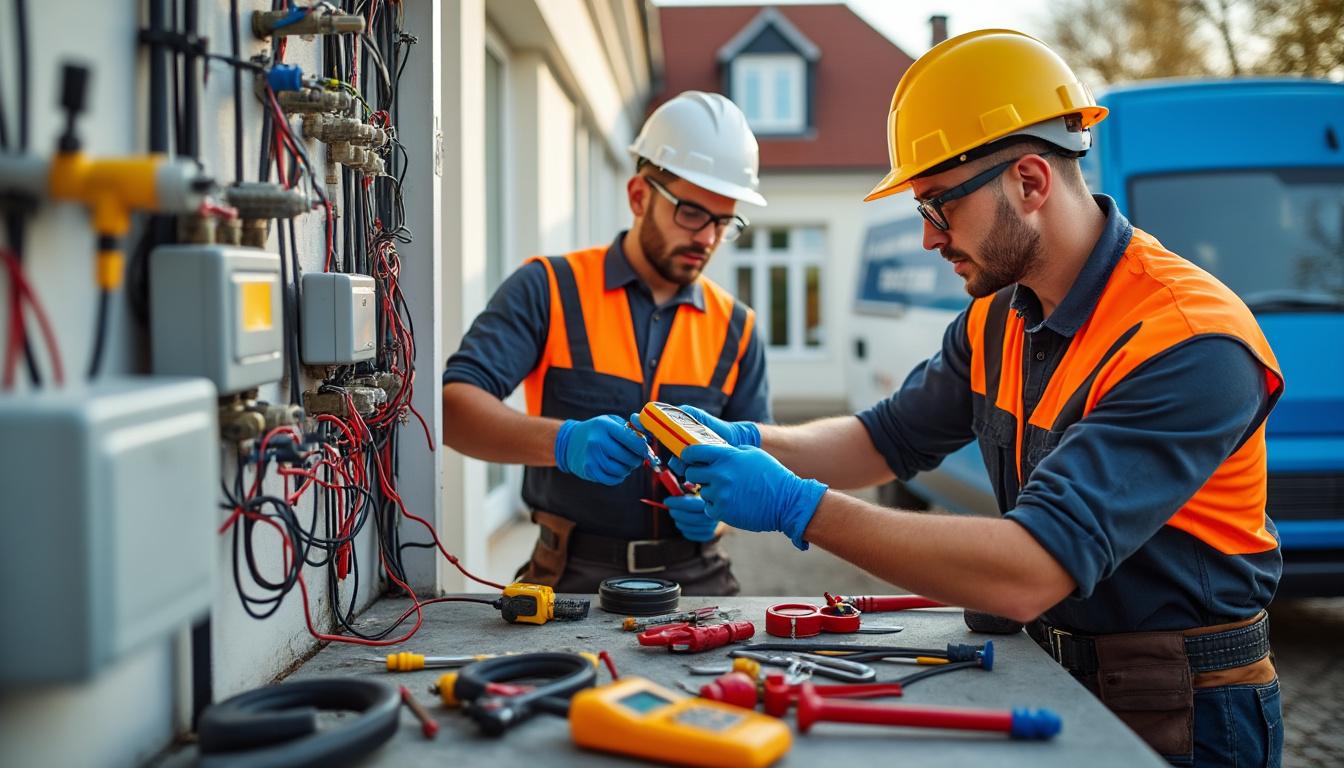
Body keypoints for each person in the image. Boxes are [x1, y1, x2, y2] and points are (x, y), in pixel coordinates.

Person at [648, 31, 1284, 766]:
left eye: (938, 207)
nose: (926, 238)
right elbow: (883, 440)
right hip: (1057, 671)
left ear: (1030, 181)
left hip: (1187, 708)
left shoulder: (1187, 342)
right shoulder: (998, 316)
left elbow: (1029, 569)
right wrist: (751, 443)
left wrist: (799, 508)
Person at [441, 91, 771, 595]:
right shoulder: (549, 289)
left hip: (699, 579)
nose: (707, 237)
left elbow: (760, 467)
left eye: (723, 222)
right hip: (572, 576)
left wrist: (719, 517)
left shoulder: (738, 328)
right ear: (639, 196)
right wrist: (563, 442)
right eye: (691, 213)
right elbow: (453, 410)